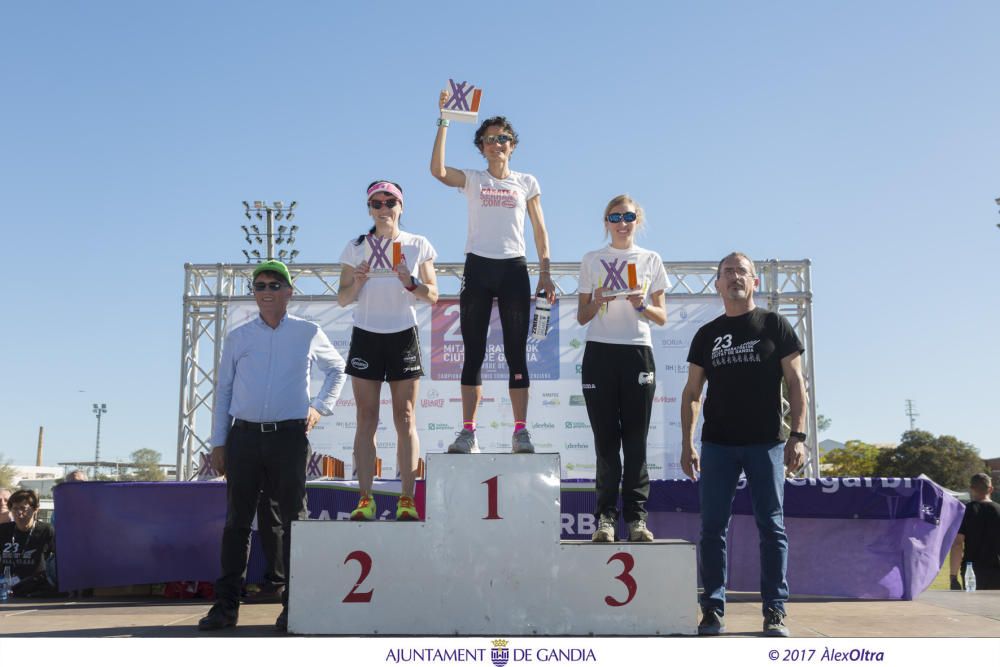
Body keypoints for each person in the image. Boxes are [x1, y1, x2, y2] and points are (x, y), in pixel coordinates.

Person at [198, 260, 346, 633]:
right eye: (260, 285)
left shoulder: (308, 332)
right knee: (236, 523)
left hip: (289, 437)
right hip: (244, 437)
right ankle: (226, 606)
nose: (266, 291)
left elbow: (337, 369)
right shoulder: (238, 337)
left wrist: (319, 407)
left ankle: (294, 606)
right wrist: (219, 441)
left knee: (294, 521)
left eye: (274, 285)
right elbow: (225, 391)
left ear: (288, 292)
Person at [680, 252, 808, 638]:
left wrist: (798, 436)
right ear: (717, 284)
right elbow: (691, 392)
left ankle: (774, 611)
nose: (735, 276)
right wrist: (687, 443)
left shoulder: (775, 324)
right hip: (718, 444)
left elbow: (797, 384)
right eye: (727, 272)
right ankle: (713, 610)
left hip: (766, 442)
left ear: (754, 282)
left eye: (742, 271)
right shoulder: (706, 335)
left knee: (772, 526)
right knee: (712, 529)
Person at [430, 101, 555, 454]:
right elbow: (438, 170)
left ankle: (520, 431)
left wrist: (545, 272)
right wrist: (444, 120)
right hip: (479, 269)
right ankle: (468, 431)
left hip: (514, 267)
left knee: (517, 353)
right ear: (481, 147)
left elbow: (540, 230)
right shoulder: (473, 179)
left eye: (502, 138)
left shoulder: (526, 182)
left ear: (512, 145)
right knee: (474, 353)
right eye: (489, 139)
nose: (496, 144)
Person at [338, 180, 439, 521]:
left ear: (401, 206)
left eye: (390, 202)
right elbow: (342, 298)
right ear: (369, 209)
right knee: (366, 418)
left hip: (402, 335)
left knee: (405, 417)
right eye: (377, 203)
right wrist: (359, 281)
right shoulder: (356, 246)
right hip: (366, 334)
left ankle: (406, 500)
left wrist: (410, 282)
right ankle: (365, 499)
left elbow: (433, 295)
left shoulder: (417, 244)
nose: (383, 209)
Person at [577, 195, 668, 543]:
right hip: (599, 352)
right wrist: (597, 300)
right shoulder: (592, 260)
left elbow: (662, 317)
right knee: (605, 443)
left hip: (637, 353)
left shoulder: (651, 260)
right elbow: (583, 316)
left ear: (637, 221)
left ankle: (637, 519)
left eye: (628, 216)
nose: (622, 222)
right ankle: (605, 520)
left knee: (635, 442)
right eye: (615, 216)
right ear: (606, 222)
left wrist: (643, 305)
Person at [0, 488, 57, 597]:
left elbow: (59, 559)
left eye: (23, 508)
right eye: (15, 508)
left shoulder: (46, 530)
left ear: (35, 509)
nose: (19, 513)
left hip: (35, 589)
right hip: (5, 588)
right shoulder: (3, 530)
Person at [949, 472, 1000, 590]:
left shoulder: (964, 511)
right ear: (991, 489)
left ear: (971, 489)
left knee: (974, 606)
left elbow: (957, 544)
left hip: (971, 572)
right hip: (997, 570)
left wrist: (953, 576)